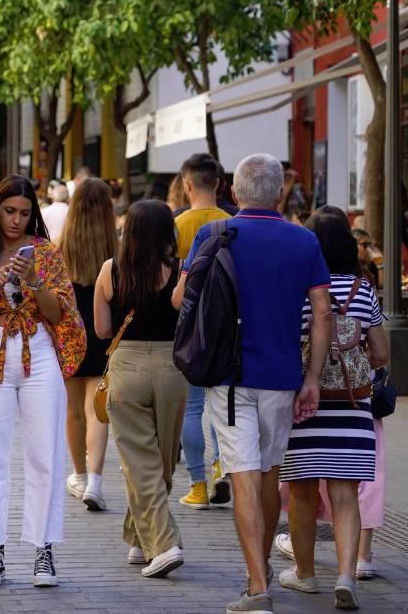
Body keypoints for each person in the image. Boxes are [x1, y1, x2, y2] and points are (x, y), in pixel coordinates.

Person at [173, 153, 332, 614]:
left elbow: (181, 296)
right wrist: (313, 378)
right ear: (280, 192)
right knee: (267, 473)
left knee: (242, 474)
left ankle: (257, 585)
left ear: (235, 193)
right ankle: (257, 572)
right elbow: (322, 311)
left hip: (228, 375)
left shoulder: (215, 234)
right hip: (283, 377)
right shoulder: (304, 241)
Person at [0, 176, 85, 588]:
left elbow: (59, 313)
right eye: (9, 211)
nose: (16, 220)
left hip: (38, 350)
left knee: (45, 454)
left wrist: (32, 281)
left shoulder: (45, 253)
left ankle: (43, 551)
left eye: (24, 213)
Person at [273, 208, 388, 609]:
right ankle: (345, 575)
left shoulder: (299, 289)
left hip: (306, 404)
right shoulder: (363, 290)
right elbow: (382, 352)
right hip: (354, 408)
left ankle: (304, 575)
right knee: (345, 494)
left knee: (303, 493)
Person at [93, 199, 187, 579]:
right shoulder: (181, 272)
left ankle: (158, 544)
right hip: (172, 368)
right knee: (161, 461)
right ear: (168, 231)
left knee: (140, 461)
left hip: (127, 367)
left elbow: (101, 331)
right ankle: (147, 541)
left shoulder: (110, 271)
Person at [172, 154, 232, 509]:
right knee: (221, 405)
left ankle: (197, 485)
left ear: (187, 184)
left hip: (191, 328)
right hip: (227, 329)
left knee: (192, 408)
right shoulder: (233, 222)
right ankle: (221, 465)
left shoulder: (178, 225)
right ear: (220, 185)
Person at [59, 178, 118, 511]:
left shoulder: (60, 247)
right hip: (103, 332)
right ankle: (95, 479)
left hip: (68, 333)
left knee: (72, 410)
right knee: (98, 410)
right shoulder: (116, 249)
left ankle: (79, 476)